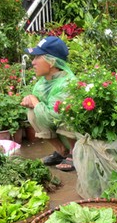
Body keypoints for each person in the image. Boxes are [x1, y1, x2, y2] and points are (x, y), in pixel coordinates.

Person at [21, 36, 77, 172]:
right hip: (55, 124)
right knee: (32, 112)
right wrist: (31, 101)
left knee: (66, 113)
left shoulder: (67, 83)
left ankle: (75, 153)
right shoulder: (44, 82)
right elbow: (41, 113)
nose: (33, 62)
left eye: (37, 57)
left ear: (51, 62)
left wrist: (34, 101)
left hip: (75, 134)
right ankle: (61, 150)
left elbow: (53, 116)